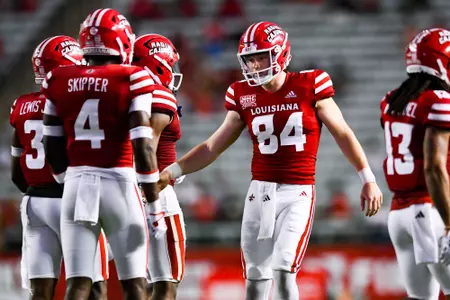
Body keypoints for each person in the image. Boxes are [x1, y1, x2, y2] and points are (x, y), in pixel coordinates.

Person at [159, 21, 383, 300]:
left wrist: (368, 179)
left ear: (280, 53)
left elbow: (342, 133)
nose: (254, 65)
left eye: (260, 57)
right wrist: (174, 170)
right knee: (255, 278)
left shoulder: (310, 83)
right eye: (250, 59)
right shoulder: (242, 94)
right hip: (259, 194)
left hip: (297, 192)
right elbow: (212, 146)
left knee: (283, 268)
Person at [41, 8, 163, 300]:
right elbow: (143, 145)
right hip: (118, 182)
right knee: (135, 282)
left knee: (79, 283)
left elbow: (51, 143)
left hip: (76, 183)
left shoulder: (57, 78)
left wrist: (65, 179)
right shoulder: (133, 77)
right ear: (121, 40)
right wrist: (154, 206)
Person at [10, 35, 108, 300]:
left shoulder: (20, 105)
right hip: (70, 198)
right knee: (92, 285)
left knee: (40, 290)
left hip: (33, 200)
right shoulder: (72, 100)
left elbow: (15, 171)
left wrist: (35, 191)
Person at [381, 28, 450, 299]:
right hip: (429, 212)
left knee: (421, 298)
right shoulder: (439, 100)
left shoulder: (391, 100)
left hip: (398, 215)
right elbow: (433, 167)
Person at [133, 33, 185, 300]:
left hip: (122, 188)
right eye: (171, 64)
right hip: (154, 191)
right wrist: (150, 194)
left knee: (136, 283)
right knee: (166, 283)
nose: (174, 72)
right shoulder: (157, 95)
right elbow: (147, 147)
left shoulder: (125, 90)